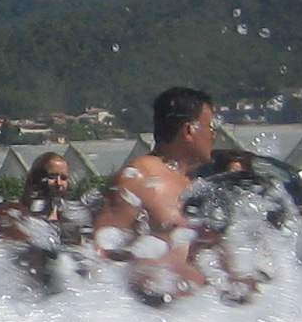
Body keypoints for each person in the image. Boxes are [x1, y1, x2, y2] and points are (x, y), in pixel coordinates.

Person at [91, 86, 222, 299]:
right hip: (155, 314)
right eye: (209, 127)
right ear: (189, 130)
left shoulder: (194, 184)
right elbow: (101, 252)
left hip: (196, 315)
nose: (213, 135)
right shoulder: (140, 178)